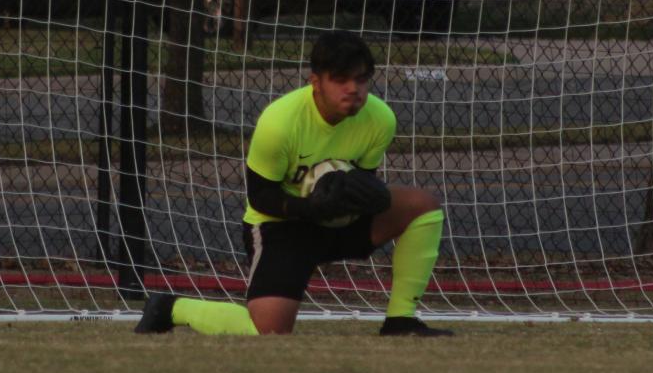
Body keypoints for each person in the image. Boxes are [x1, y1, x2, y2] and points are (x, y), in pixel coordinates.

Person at [135, 29, 452, 336]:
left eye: (361, 79)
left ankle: (401, 320)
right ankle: (170, 307)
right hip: (281, 226)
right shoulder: (280, 122)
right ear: (316, 82)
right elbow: (260, 197)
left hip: (337, 222)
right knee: (268, 331)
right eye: (340, 79)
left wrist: (367, 197)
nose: (353, 88)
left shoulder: (380, 119)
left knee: (422, 206)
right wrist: (310, 208)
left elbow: (361, 180)